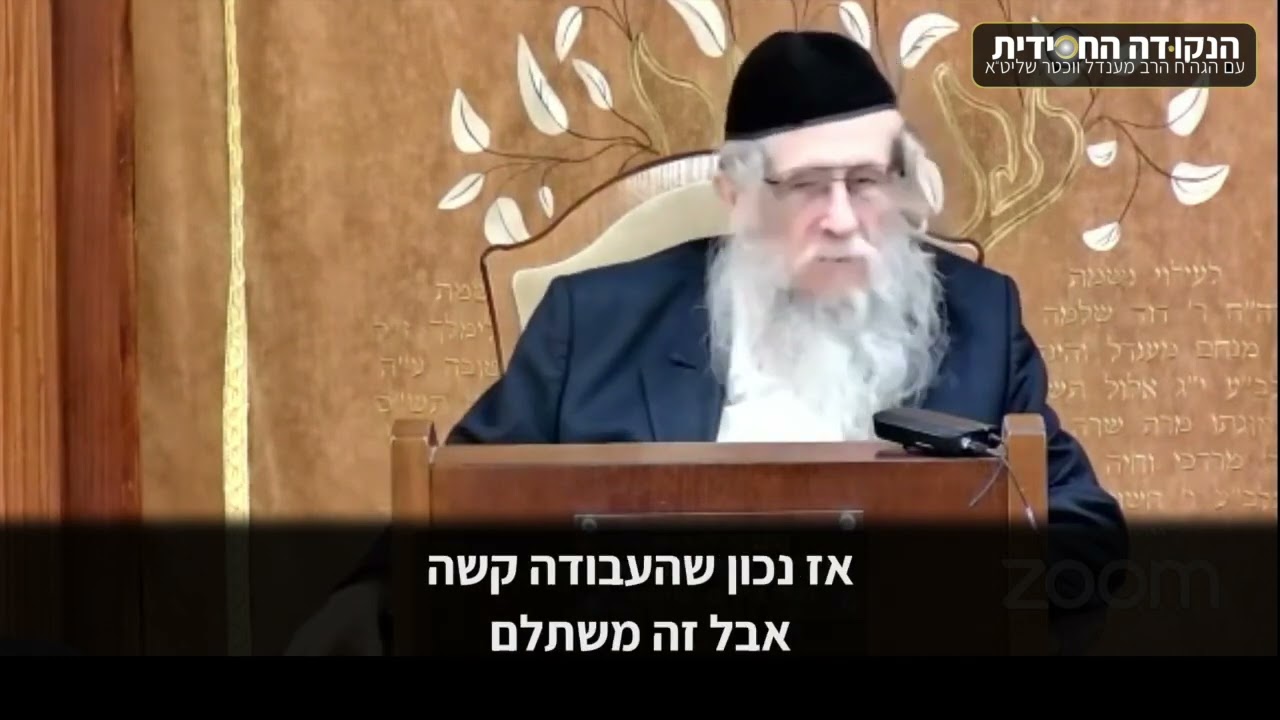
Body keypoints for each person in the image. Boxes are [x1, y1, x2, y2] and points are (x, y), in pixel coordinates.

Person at [286, 30, 1127, 656]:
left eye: (867, 181)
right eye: (806, 186)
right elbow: (458, 508)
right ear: (735, 193)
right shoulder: (596, 323)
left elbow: (1084, 532)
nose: (844, 219)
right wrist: (370, 599)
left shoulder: (978, 318)